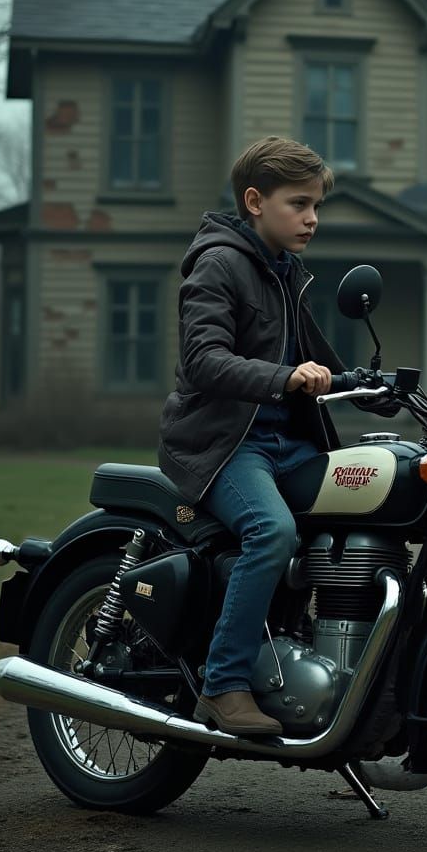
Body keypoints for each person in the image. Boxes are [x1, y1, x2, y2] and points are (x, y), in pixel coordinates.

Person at [158, 136, 349, 737]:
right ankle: (223, 685)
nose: (312, 218)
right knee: (273, 531)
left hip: (286, 445)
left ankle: (319, 658)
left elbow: (314, 359)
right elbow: (202, 361)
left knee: (362, 507)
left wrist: (382, 386)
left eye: (317, 206)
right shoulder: (219, 264)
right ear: (255, 201)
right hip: (224, 445)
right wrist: (283, 377)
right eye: (299, 204)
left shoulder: (286, 272)